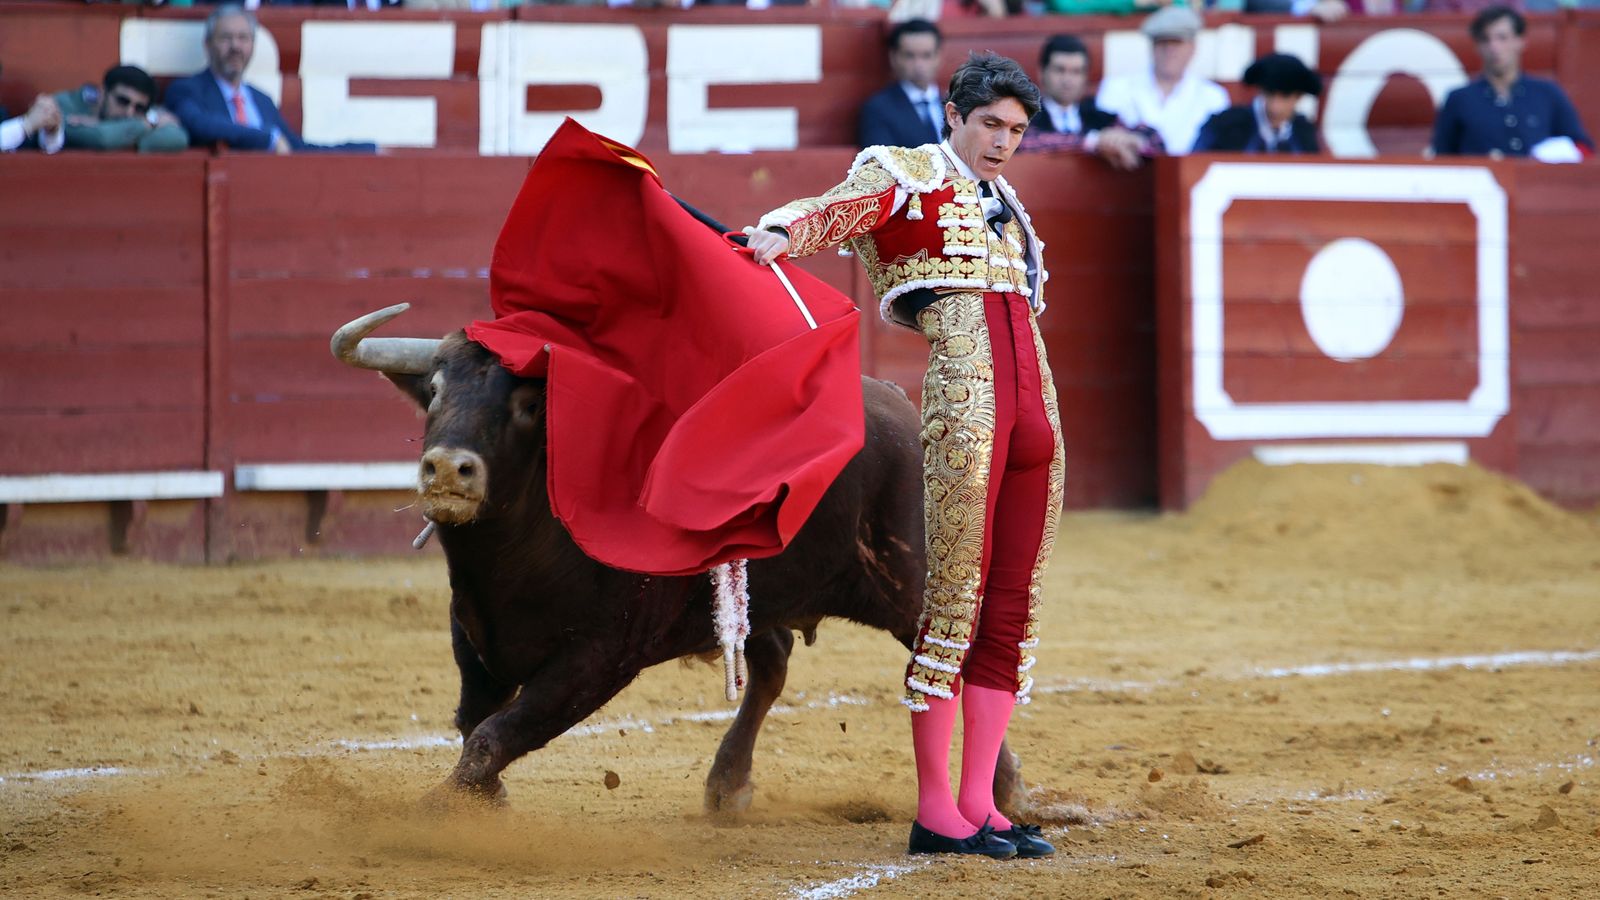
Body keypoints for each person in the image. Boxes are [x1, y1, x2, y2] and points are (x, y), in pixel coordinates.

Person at [744, 52, 1063, 861]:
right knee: (952, 605)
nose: (1001, 142)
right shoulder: (908, 171)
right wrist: (783, 229)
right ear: (953, 114)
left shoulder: (1009, 203)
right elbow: (839, 210)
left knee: (1010, 612)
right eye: (989, 124)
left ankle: (978, 802)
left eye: (1016, 131)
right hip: (968, 415)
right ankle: (935, 812)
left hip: (1036, 423)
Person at [164, 4, 376, 154]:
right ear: (208, 44)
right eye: (226, 38)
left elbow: (296, 149)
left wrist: (367, 149)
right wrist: (266, 139)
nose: (235, 47)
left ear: (253, 45)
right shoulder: (187, 90)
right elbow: (199, 124)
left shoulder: (261, 100)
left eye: (243, 38)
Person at [1431, 6, 1593, 161]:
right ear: (1477, 46)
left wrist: (1556, 155)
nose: (1494, 47)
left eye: (1502, 38)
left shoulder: (1548, 94)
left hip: (1537, 187)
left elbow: (1584, 150)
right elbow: (1442, 161)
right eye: (1486, 39)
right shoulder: (1460, 99)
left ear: (1520, 41)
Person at [1094, 6, 1228, 155]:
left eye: (1176, 43)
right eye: (1163, 43)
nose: (1169, 51)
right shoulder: (1117, 88)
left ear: (1192, 48)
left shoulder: (1213, 96)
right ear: (1151, 47)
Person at [1021, 33, 1163, 169]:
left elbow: (1157, 140)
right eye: (1060, 70)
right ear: (1041, 73)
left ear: (1085, 77)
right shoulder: (1026, 115)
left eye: (1076, 72)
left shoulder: (1099, 116)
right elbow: (1026, 143)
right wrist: (1094, 142)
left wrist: (1134, 140)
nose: (1067, 80)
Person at [1193, 53, 1322, 154]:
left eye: (1285, 96)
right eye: (1270, 94)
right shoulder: (1225, 126)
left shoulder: (1304, 132)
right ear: (1261, 91)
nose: (1275, 105)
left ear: (1298, 97)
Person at [55, 65, 188, 154]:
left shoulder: (146, 118)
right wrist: (148, 126)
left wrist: (108, 129)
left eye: (139, 108)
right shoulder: (65, 105)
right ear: (102, 93)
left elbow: (178, 138)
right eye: (122, 101)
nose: (129, 112)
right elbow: (101, 139)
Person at [857, 19, 946, 149]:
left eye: (926, 55)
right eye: (910, 56)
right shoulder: (878, 109)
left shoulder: (954, 103)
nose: (919, 65)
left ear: (938, 57)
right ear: (893, 58)